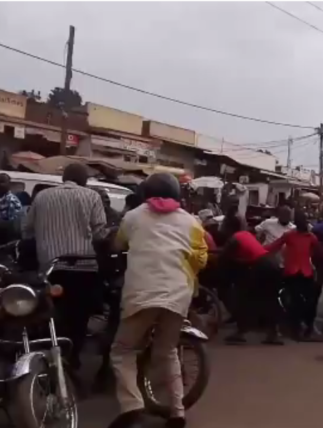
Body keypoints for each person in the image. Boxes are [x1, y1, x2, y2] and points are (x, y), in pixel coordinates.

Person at [107, 173, 208, 428]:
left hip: (141, 293)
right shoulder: (192, 222)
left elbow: (117, 245)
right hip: (178, 293)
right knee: (168, 351)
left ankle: (132, 405)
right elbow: (201, 258)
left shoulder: (132, 216)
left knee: (122, 350)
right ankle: (177, 412)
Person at [23, 163, 107, 370]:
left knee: (50, 315)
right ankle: (73, 357)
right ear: (84, 180)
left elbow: (26, 231)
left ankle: (50, 358)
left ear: (64, 178)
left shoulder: (42, 197)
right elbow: (100, 234)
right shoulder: (92, 196)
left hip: (50, 268)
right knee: (79, 316)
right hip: (85, 268)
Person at [222, 215, 284, 346]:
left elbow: (225, 257)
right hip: (271, 263)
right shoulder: (246, 234)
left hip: (261, 266)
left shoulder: (234, 238)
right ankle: (274, 333)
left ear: (228, 227)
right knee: (270, 300)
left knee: (245, 298)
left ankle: (241, 332)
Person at [265, 210, 323, 340]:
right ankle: (296, 328)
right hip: (292, 272)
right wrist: (258, 250)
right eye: (300, 221)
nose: (303, 224)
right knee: (295, 301)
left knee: (309, 301)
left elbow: (321, 253)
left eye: (304, 221)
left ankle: (305, 326)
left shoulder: (311, 237)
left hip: (306, 272)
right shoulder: (289, 235)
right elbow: (274, 246)